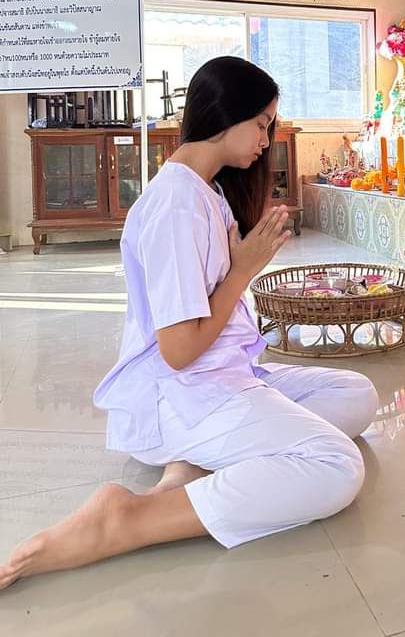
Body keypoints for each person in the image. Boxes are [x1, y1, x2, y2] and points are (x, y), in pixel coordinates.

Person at [0, 56, 378, 589]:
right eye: (262, 124)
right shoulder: (177, 204)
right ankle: (131, 520)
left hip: (222, 376)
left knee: (356, 394)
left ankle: (190, 469)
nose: (266, 140)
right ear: (225, 115)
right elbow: (178, 351)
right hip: (184, 392)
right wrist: (242, 271)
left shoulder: (206, 190)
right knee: (336, 464)